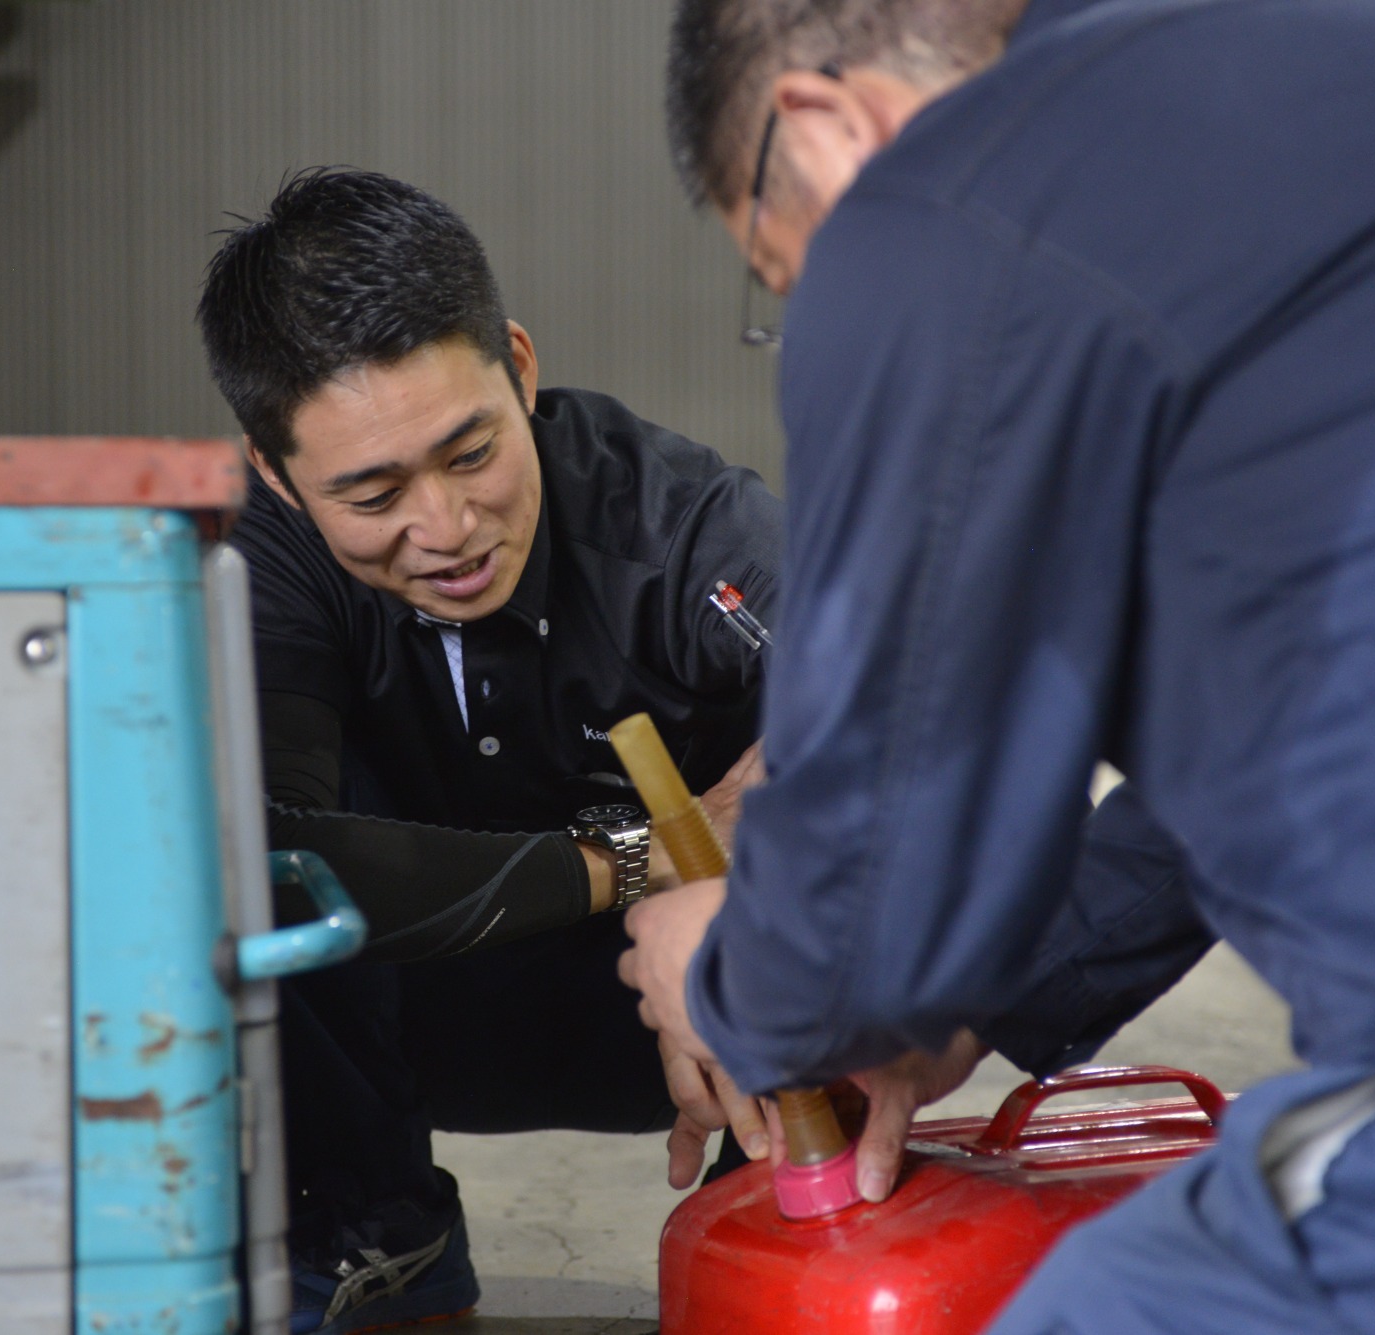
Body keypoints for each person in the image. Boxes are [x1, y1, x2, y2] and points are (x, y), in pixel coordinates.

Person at [621, 0, 1375, 1331]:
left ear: (813, 127)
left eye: (786, 273)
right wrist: (967, 1003)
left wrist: (723, 962)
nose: (826, 311)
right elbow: (1252, 759)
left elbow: (867, 893)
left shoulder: (938, 206)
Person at [199, 168, 1207, 1334]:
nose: (444, 527)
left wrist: (780, 849)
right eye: (372, 494)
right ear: (275, 472)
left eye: (470, 453)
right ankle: (379, 1243)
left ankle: (796, 1217)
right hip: (410, 989)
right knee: (238, 836)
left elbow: (923, 694)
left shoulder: (674, 522)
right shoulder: (257, 559)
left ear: (518, 367)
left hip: (696, 1002)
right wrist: (629, 860)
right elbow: (265, 868)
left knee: (834, 795)